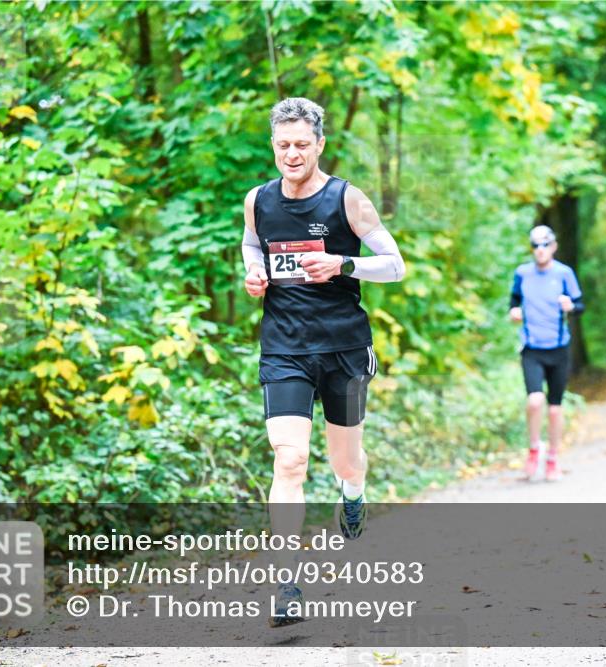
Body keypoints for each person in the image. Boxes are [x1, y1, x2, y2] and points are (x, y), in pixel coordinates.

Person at [242, 97, 406, 627]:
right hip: (284, 348)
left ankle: (352, 495)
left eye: (301, 145)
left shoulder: (347, 200)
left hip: (343, 349)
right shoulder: (258, 201)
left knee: (345, 462)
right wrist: (254, 273)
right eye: (283, 145)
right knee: (289, 459)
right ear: (274, 145)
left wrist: (343, 262)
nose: (292, 154)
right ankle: (285, 584)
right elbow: (251, 245)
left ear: (320, 145)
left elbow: (395, 266)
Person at [508, 225, 584, 482]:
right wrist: (514, 312)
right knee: (534, 401)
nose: (539, 250)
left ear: (553, 246)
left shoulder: (564, 273)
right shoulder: (522, 273)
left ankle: (552, 459)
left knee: (554, 409)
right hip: (532, 348)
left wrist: (570, 305)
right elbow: (514, 301)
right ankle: (533, 450)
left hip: (559, 348)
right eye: (535, 245)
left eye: (544, 245)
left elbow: (580, 304)